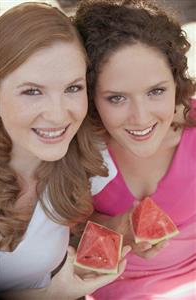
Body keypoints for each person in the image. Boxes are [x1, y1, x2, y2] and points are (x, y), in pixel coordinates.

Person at [0, 2, 130, 299]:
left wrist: (123, 228)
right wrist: (53, 294)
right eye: (32, 91)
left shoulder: (82, 159)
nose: (59, 116)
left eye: (72, 88)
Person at [75, 0, 196, 299]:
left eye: (156, 91)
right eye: (116, 98)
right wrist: (116, 228)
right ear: (91, 96)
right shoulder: (73, 145)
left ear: (176, 82)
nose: (141, 118)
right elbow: (59, 242)